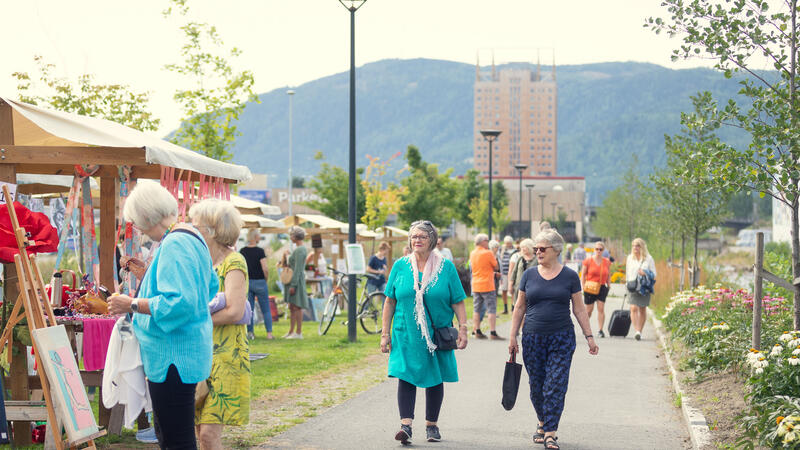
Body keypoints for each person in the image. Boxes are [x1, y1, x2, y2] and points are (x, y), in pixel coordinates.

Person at [108, 181, 218, 450]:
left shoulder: (174, 244)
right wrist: (150, 276)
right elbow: (207, 286)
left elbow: (179, 303)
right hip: (181, 354)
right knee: (173, 435)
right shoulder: (190, 235)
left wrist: (131, 303)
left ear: (146, 216)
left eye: (137, 222)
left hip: (173, 357)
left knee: (175, 439)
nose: (140, 229)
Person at [380, 220, 468, 445]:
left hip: (435, 333)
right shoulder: (400, 265)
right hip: (406, 332)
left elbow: (458, 300)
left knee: (434, 377)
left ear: (433, 240)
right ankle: (406, 426)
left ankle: (432, 425)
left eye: (422, 236)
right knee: (406, 376)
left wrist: (464, 329)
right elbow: (390, 301)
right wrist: (385, 333)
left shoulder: (445, 267)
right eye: (414, 236)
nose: (417, 240)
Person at [508, 229, 598, 449]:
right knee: (536, 386)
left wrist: (589, 336)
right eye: (536, 248)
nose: (537, 252)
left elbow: (579, 309)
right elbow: (519, 307)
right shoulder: (529, 275)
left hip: (561, 339)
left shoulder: (569, 276)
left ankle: (550, 432)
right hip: (532, 338)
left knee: (555, 385)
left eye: (542, 248)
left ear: (556, 250)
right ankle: (542, 421)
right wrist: (513, 336)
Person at [190, 199, 250, 449]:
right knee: (198, 432)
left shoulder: (233, 262)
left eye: (197, 226)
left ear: (212, 230)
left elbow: (235, 311)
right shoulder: (201, 262)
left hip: (226, 358)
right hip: (199, 355)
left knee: (208, 435)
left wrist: (194, 322)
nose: (193, 231)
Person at [240, 229, 274, 340]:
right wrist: (266, 279)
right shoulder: (260, 251)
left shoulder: (242, 251)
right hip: (260, 282)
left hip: (248, 282)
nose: (260, 237)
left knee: (249, 309)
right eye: (259, 235)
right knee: (266, 309)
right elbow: (265, 268)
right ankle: (269, 334)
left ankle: (250, 333)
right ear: (255, 237)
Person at [470, 234, 502, 340]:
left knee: (476, 309)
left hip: (476, 284)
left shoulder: (472, 253)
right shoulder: (488, 253)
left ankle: (477, 330)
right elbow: (496, 266)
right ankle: (493, 332)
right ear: (483, 241)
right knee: (491, 308)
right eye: (487, 240)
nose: (488, 242)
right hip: (487, 284)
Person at [626, 238, 657, 341]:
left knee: (642, 309)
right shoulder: (630, 258)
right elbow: (627, 272)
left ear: (642, 247)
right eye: (634, 245)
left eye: (637, 245)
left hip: (644, 287)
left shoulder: (649, 258)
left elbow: (654, 274)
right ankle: (637, 331)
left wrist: (645, 273)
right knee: (633, 308)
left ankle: (640, 330)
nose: (635, 248)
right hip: (632, 286)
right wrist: (627, 283)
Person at [581, 241, 611, 338]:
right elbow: (583, 274)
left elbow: (608, 274)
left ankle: (600, 330)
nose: (598, 251)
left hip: (602, 286)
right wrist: (583, 286)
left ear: (603, 250)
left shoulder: (606, 261)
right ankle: (585, 328)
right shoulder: (588, 261)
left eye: (600, 249)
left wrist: (609, 285)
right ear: (594, 250)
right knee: (589, 310)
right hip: (590, 286)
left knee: (601, 308)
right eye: (597, 249)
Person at [283, 226, 309, 339]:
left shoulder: (300, 250)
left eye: (291, 235)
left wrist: (293, 285)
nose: (290, 237)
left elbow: (298, 268)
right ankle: (291, 331)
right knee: (292, 306)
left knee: (297, 306)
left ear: (295, 236)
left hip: (296, 281)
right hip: (294, 280)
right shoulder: (298, 249)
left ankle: (298, 332)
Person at [509, 238, 536, 305]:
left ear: (530, 247)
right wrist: (510, 285)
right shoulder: (520, 259)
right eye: (522, 247)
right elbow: (514, 273)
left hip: (532, 289)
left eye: (524, 247)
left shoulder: (537, 260)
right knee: (517, 306)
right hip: (518, 288)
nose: (522, 249)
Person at [498, 236, 517, 315]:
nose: (507, 245)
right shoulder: (502, 250)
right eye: (506, 243)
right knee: (504, 290)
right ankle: (505, 308)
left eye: (508, 243)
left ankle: (513, 307)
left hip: (513, 273)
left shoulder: (515, 250)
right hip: (504, 274)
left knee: (512, 290)